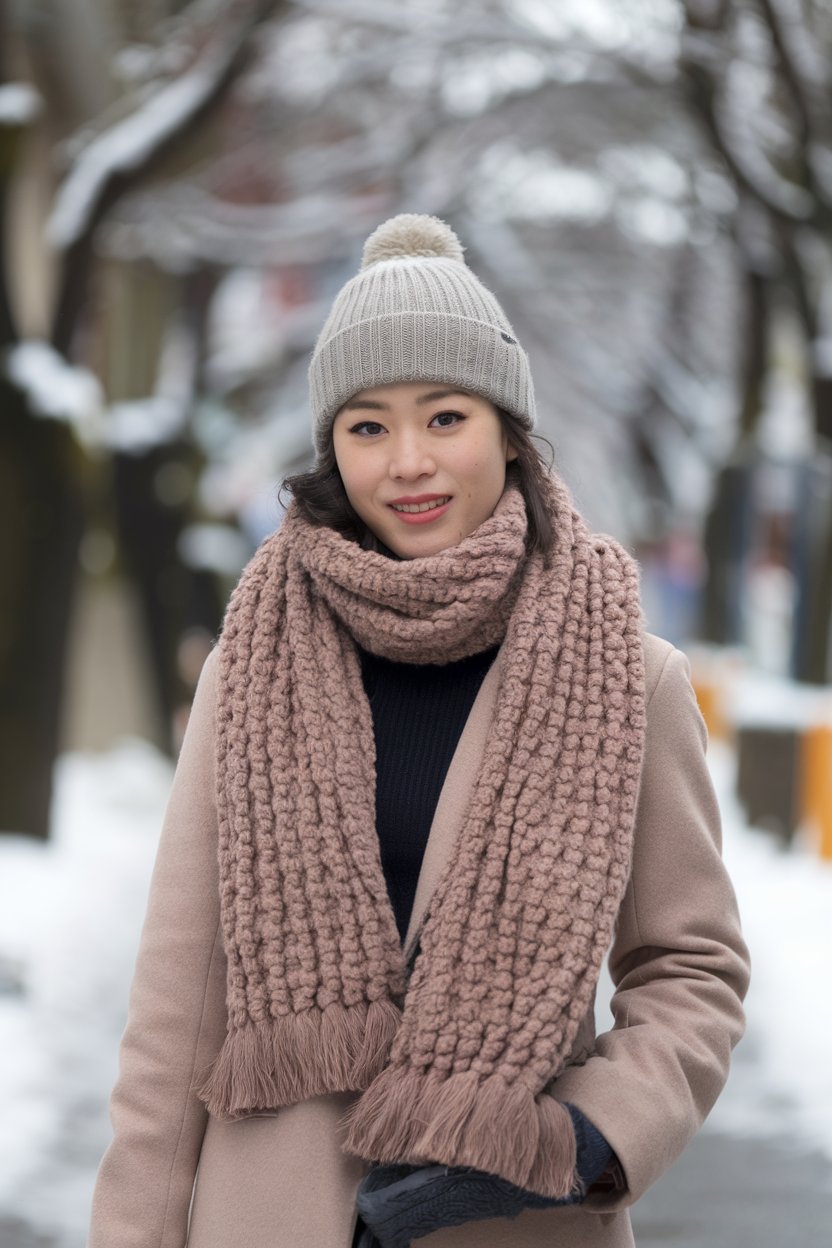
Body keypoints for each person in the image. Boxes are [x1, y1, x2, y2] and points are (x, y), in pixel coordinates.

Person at [86, 213, 750, 1248]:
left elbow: (689, 969)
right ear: (333, 450)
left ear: (508, 431)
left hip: (511, 1214)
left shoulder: (630, 677)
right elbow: (178, 1002)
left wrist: (578, 1140)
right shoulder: (250, 668)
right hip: (271, 1213)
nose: (407, 462)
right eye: (367, 427)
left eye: (445, 417)